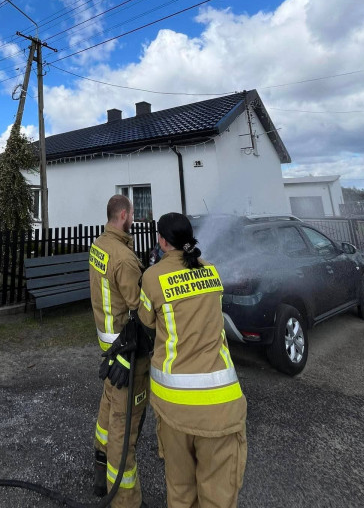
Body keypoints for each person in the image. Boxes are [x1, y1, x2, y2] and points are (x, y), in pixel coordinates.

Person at [138, 213, 247, 508]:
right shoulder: (211, 271)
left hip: (175, 408)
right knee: (218, 496)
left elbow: (146, 319)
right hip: (221, 408)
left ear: (162, 241)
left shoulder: (152, 277)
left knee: (180, 490)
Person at [89, 194, 150, 508]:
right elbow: (139, 306)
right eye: (134, 213)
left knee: (108, 408)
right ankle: (124, 498)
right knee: (124, 425)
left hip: (109, 348)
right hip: (127, 352)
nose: (135, 218)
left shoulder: (100, 244)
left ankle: (100, 466)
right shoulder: (124, 259)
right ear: (124, 214)